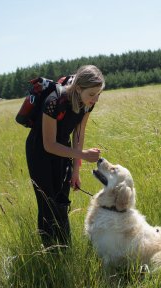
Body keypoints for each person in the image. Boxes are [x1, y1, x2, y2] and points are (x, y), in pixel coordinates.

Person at [25, 65, 104, 248]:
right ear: (78, 88)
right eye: (92, 94)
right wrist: (82, 155)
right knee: (47, 204)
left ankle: (65, 249)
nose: (96, 99)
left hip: (64, 149)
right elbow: (49, 145)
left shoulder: (87, 104)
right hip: (40, 152)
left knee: (61, 201)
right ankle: (50, 253)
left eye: (99, 93)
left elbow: (78, 134)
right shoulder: (54, 101)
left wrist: (76, 170)